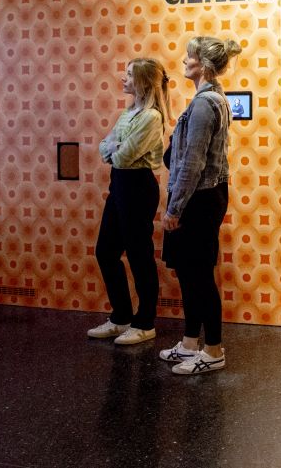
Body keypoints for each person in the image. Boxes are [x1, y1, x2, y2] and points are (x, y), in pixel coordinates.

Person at [158, 36, 242, 375]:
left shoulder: (206, 103)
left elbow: (193, 162)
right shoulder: (210, 99)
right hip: (202, 195)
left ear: (203, 65)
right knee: (190, 274)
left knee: (199, 276)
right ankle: (191, 341)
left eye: (189, 56)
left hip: (199, 198)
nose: (183, 60)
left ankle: (213, 349)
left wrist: (175, 208)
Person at [88, 58, 171, 345]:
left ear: (143, 81)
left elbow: (122, 156)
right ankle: (121, 316)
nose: (123, 78)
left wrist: (114, 148)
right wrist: (114, 147)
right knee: (105, 252)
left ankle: (145, 322)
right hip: (119, 185)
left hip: (137, 187)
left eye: (129, 74)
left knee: (139, 256)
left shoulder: (151, 117)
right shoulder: (129, 112)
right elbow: (104, 147)